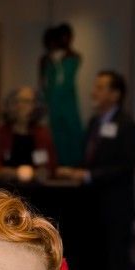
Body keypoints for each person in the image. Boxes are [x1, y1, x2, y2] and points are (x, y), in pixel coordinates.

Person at [56, 69, 135, 270]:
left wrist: (88, 176)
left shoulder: (126, 124)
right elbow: (91, 160)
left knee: (117, 268)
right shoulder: (94, 122)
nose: (95, 92)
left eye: (101, 87)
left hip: (116, 209)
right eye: (96, 86)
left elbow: (126, 166)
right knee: (98, 267)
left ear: (115, 94)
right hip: (92, 209)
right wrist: (78, 172)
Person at [0, 86, 56, 181]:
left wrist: (38, 173)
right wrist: (13, 173)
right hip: (4, 190)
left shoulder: (40, 134)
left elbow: (47, 167)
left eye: (32, 102)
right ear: (12, 105)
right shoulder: (1, 133)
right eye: (24, 101)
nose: (28, 106)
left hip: (34, 190)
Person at [38, 24, 84, 167]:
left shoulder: (73, 57)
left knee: (72, 133)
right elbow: (43, 83)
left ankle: (74, 164)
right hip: (52, 103)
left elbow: (66, 80)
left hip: (68, 103)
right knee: (53, 136)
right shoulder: (46, 60)